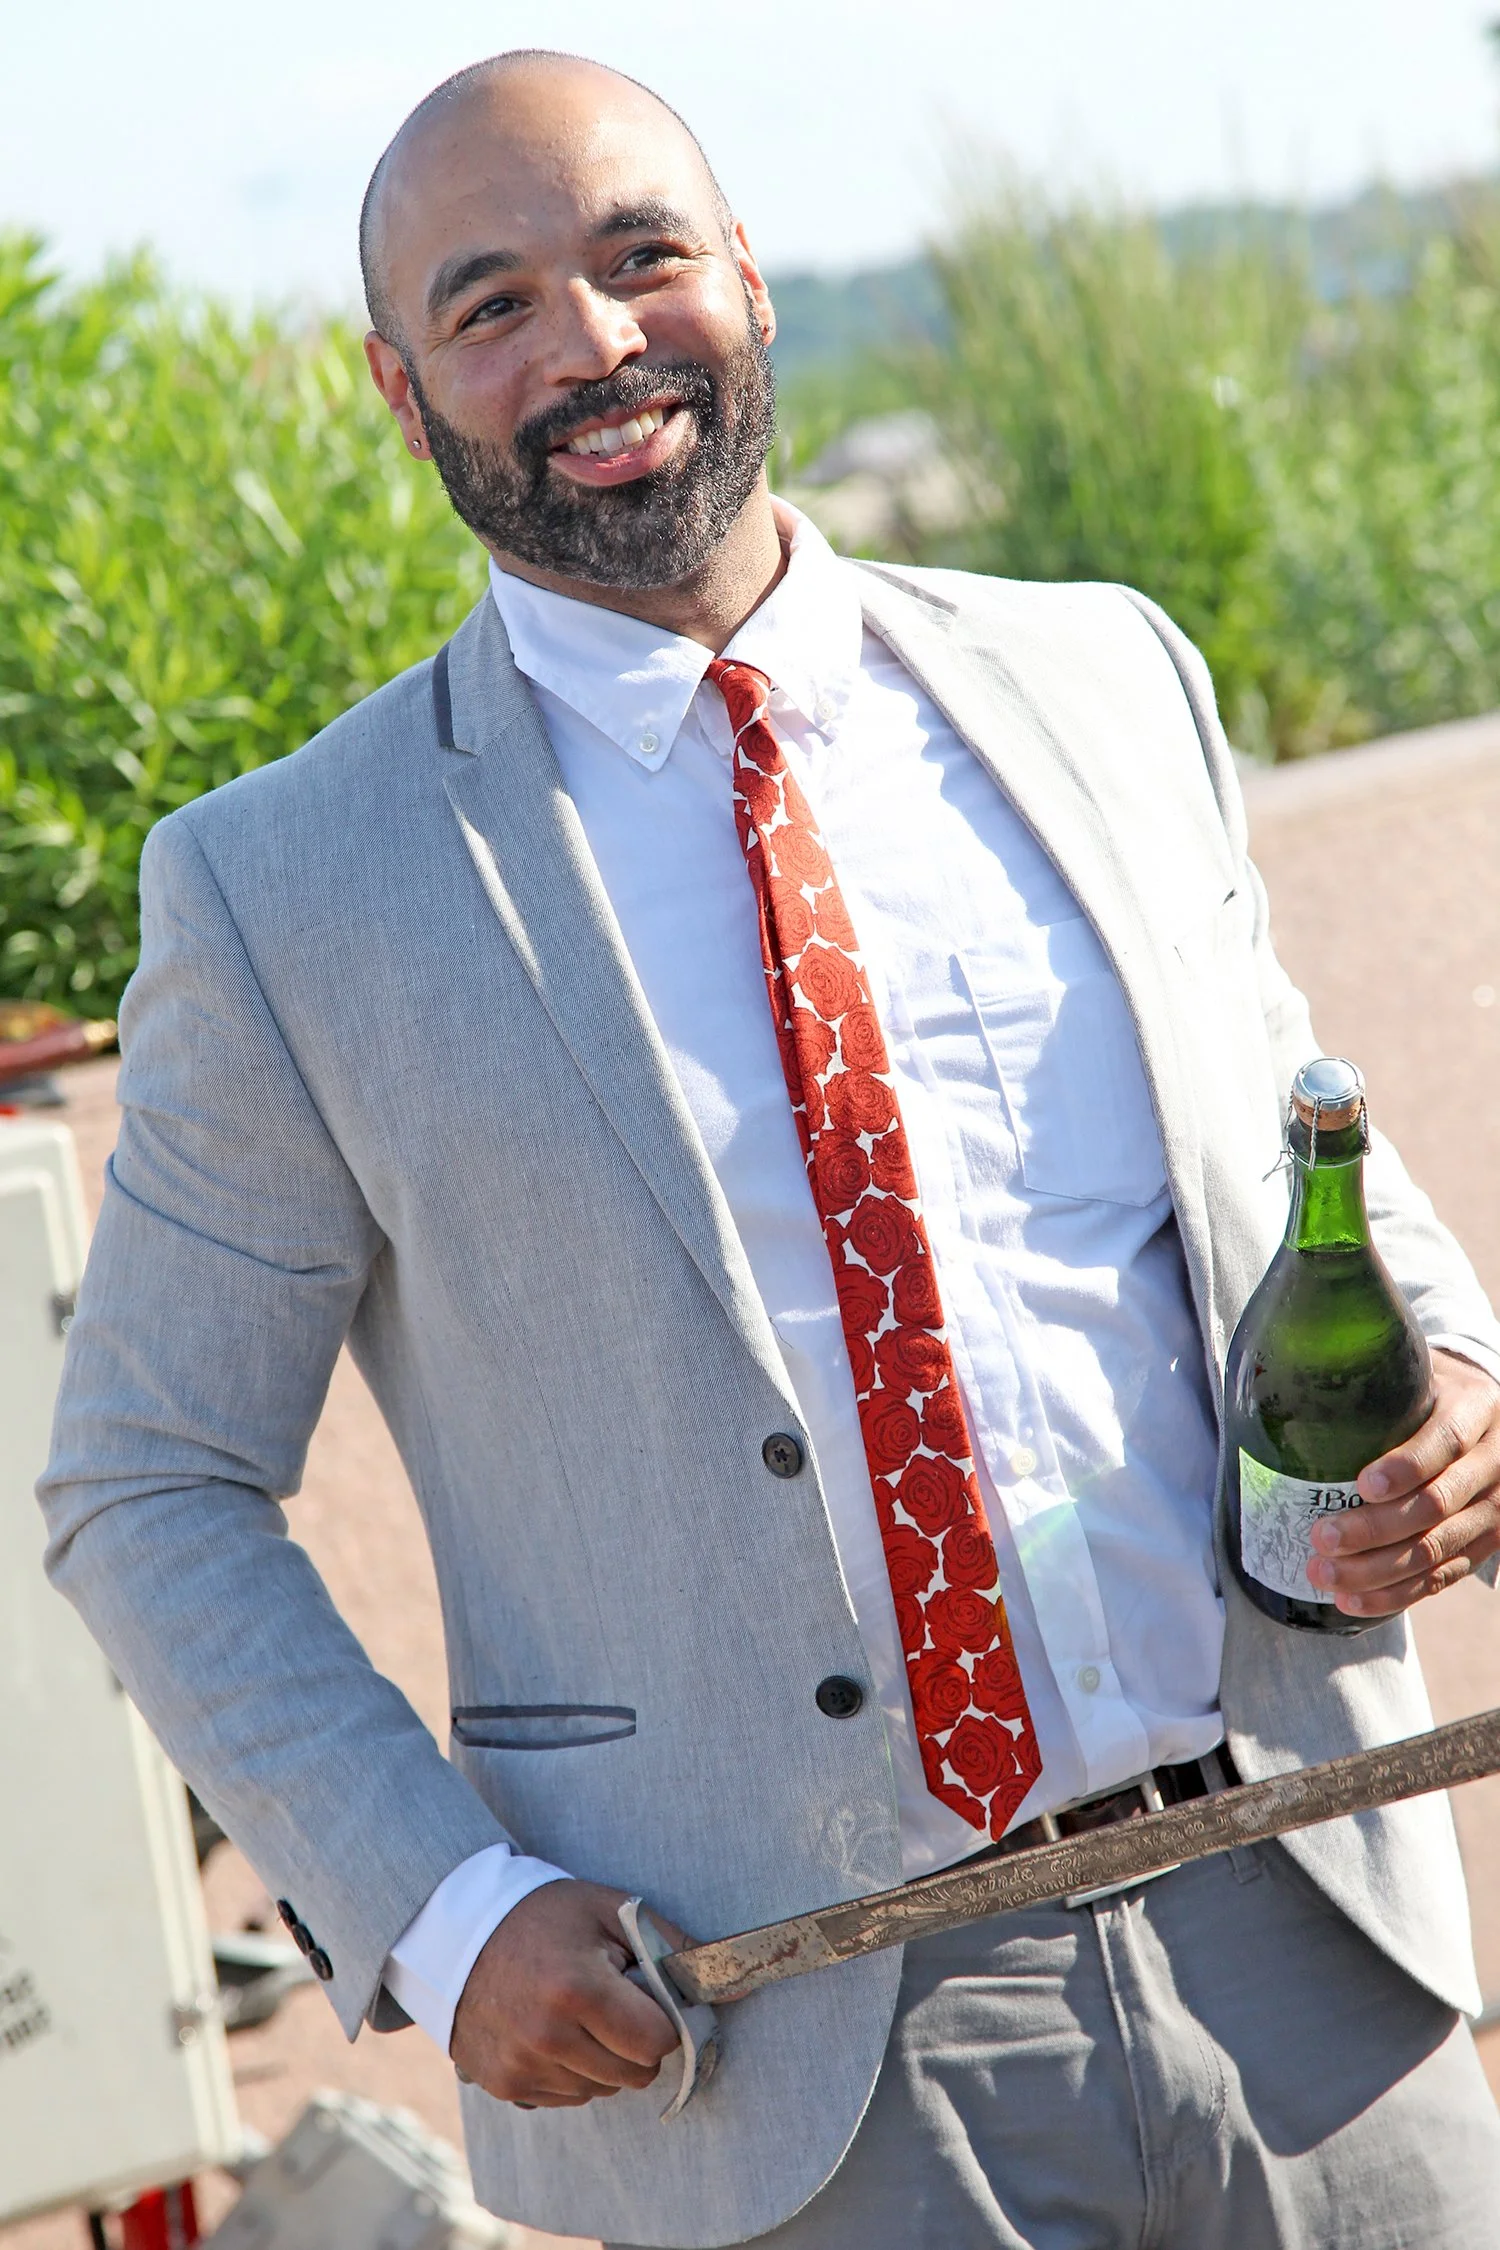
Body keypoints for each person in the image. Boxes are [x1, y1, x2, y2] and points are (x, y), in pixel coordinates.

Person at [38, 48, 1500, 2250]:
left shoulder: (1106, 676)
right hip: (785, 2073)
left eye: (640, 257)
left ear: (751, 276)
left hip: (1310, 1941)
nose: (593, 342)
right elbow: (144, 1478)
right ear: (396, 386)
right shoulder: (288, 890)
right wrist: (432, 1908)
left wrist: (1456, 1379)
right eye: (492, 302)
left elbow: (1292, 1139)